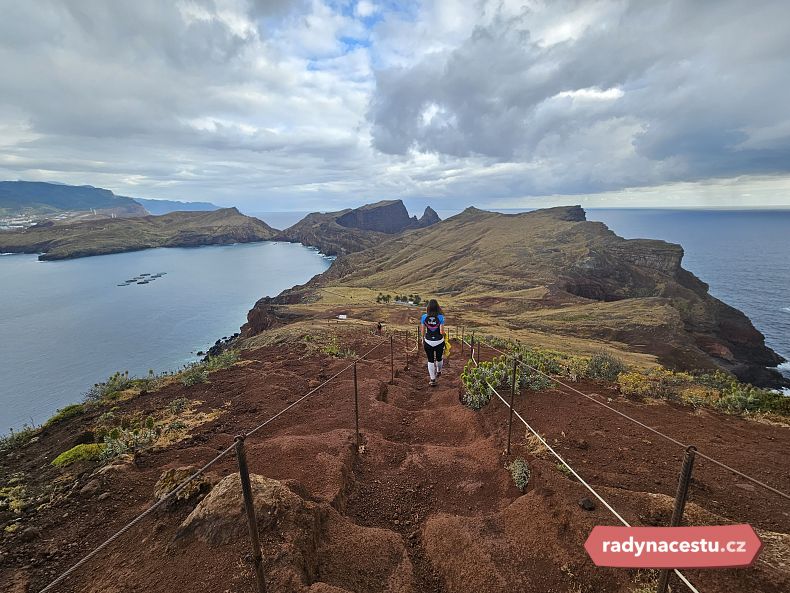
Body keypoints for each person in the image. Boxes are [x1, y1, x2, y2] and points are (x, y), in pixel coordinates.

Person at [420, 299, 445, 387]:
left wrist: (422, 339)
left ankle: (432, 379)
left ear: (428, 307)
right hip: (439, 341)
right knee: (439, 358)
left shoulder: (424, 317)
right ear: (437, 307)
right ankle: (439, 371)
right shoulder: (441, 317)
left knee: (430, 360)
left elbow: (422, 331)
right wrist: (445, 334)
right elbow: (441, 332)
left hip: (428, 341)